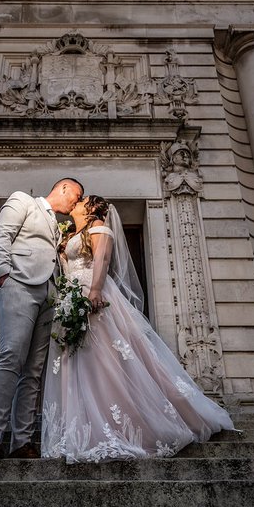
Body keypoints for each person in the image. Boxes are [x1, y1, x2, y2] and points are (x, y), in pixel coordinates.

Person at [41, 195, 238, 463]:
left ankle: (126, 425)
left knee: (105, 359)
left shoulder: (98, 227)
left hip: (91, 296)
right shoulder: (71, 234)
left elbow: (102, 259)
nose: (76, 201)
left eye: (81, 199)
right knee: (79, 360)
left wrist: (94, 291)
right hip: (70, 298)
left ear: (91, 208)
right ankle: (81, 429)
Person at [0, 177, 84, 460]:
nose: (76, 202)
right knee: (11, 355)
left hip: (49, 296)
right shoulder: (23, 200)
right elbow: (2, 235)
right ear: (63, 188)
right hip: (19, 285)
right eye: (76, 196)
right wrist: (2, 274)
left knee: (34, 370)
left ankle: (21, 441)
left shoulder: (58, 227)